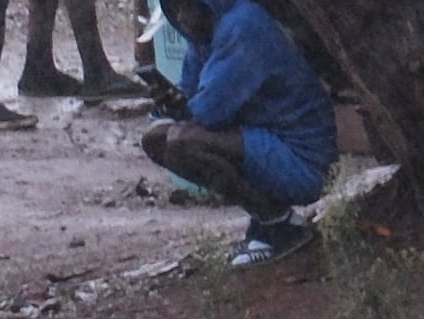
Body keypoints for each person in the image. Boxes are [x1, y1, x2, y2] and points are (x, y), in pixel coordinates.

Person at [139, 0, 335, 265]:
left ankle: (280, 226)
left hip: (304, 161)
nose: (182, 17)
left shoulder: (242, 27)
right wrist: (167, 102)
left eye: (186, 7)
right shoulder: (205, 35)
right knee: (157, 139)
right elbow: (190, 97)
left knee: (185, 142)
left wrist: (177, 109)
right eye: (175, 9)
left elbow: (206, 114)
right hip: (266, 143)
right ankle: (268, 222)